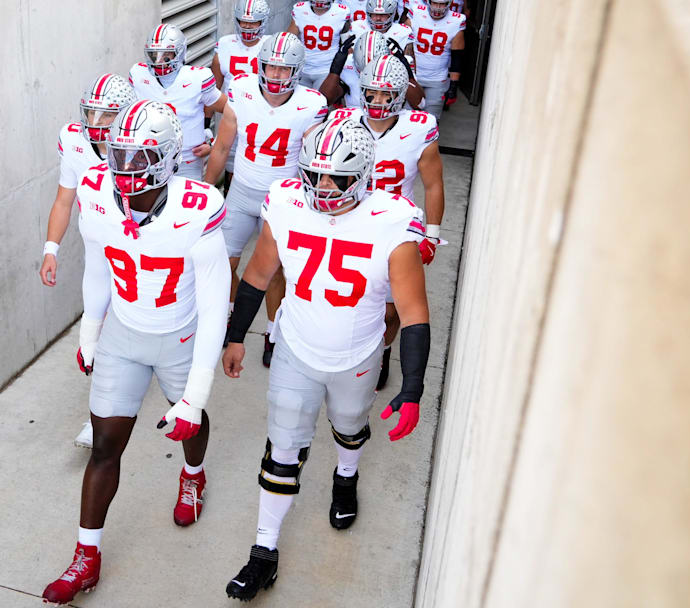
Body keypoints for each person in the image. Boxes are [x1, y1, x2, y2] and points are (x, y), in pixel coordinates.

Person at [220, 117, 431, 601]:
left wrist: (413, 386)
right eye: (313, 175)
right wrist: (238, 336)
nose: (323, 188)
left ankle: (346, 476)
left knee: (350, 423)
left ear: (365, 174)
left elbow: (415, 310)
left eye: (336, 177)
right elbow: (257, 273)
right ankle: (263, 552)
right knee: (282, 447)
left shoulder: (392, 220)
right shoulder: (288, 203)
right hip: (296, 345)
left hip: (358, 352)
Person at [41, 101, 231, 605]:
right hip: (125, 332)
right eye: (118, 154)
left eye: (138, 157)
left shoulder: (199, 205)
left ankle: (193, 474)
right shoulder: (97, 190)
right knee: (105, 446)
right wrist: (90, 330)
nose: (123, 169)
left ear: (168, 159)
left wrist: (196, 393)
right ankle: (86, 557)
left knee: (190, 419)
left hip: (179, 334)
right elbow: (101, 267)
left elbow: (215, 307)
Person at [205, 32, 328, 367]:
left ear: (297, 71)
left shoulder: (311, 104)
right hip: (242, 191)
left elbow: (313, 161)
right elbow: (222, 148)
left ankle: (274, 331)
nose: (276, 75)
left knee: (276, 272)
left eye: (284, 69)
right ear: (260, 65)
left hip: (282, 201)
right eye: (271, 67)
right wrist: (204, 190)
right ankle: (233, 318)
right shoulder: (242, 92)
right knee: (224, 262)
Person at [331, 56, 444, 389]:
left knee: (391, 311)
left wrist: (433, 234)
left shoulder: (418, 128)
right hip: (352, 223)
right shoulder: (342, 122)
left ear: (399, 94)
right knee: (347, 299)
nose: (377, 101)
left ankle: (382, 351)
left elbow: (433, 184)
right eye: (371, 93)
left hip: (396, 228)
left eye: (385, 94)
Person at [40, 74, 137, 448]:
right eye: (90, 114)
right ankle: (99, 415)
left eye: (106, 116)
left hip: (137, 249)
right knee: (93, 335)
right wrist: (52, 248)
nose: (95, 125)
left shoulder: (138, 140)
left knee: (135, 325)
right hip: (97, 247)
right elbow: (65, 199)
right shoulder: (73, 139)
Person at [130, 24, 227, 179]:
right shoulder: (139, 75)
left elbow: (231, 112)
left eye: (166, 56)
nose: (159, 61)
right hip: (149, 159)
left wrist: (213, 144)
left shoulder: (197, 79)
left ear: (180, 53)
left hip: (187, 160)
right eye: (154, 55)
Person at [211, 0, 272, 192]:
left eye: (253, 22)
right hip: (232, 115)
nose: (247, 26)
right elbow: (213, 89)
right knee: (229, 163)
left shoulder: (271, 45)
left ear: (263, 21)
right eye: (243, 21)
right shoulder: (225, 44)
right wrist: (206, 124)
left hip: (260, 115)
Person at [404, 0, 466, 117]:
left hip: (437, 79)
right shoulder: (416, 12)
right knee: (407, 117)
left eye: (442, 4)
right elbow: (403, 41)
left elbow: (457, 56)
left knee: (431, 119)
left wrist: (453, 85)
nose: (438, 8)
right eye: (434, 3)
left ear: (449, 3)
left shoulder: (457, 20)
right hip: (413, 76)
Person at [287, 0, 352, 88]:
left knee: (324, 100)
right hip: (303, 68)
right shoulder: (300, 10)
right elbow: (289, 40)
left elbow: (347, 45)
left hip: (327, 69)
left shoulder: (341, 12)